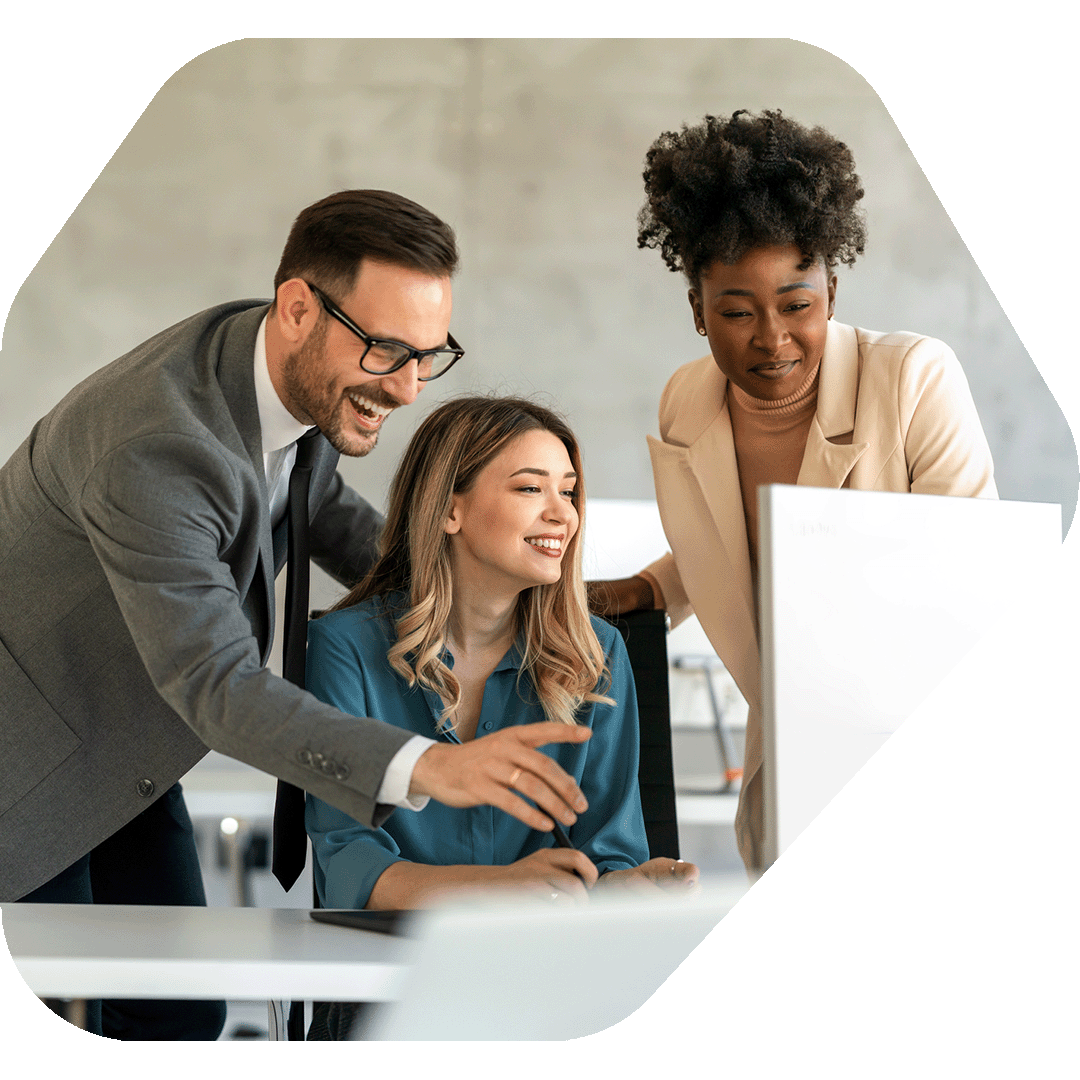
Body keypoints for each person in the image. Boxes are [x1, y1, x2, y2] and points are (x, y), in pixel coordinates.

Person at [0, 192, 595, 1039]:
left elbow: (330, 515)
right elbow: (217, 684)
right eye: (390, 351)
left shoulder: (290, 365)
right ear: (298, 308)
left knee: (176, 1014)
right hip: (20, 760)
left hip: (121, 737)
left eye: (430, 356)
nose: (408, 387)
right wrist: (428, 767)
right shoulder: (158, 448)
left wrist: (535, 591)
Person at [590, 111, 997, 876]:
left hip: (912, 751)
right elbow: (730, 540)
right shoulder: (687, 399)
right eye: (737, 312)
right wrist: (646, 590)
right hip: (786, 763)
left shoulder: (913, 378)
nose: (771, 338)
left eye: (797, 305)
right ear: (696, 310)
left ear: (833, 291)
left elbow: (969, 576)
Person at [304, 395, 699, 1038]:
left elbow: (608, 856)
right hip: (387, 989)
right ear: (450, 508)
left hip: (547, 989)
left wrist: (627, 892)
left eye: (568, 492)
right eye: (529, 488)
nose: (561, 514)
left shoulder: (599, 656)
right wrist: (503, 887)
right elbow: (350, 870)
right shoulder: (345, 648)